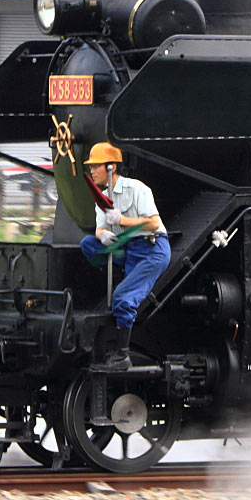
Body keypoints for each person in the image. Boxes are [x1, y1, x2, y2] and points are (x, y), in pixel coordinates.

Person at [79, 142, 170, 371]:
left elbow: (153, 222)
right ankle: (121, 277)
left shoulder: (137, 189)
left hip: (152, 248)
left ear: (111, 167)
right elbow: (100, 229)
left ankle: (122, 355)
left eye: (96, 166)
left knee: (122, 298)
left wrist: (122, 221)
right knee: (88, 244)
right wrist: (103, 236)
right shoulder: (102, 199)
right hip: (128, 248)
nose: (92, 170)